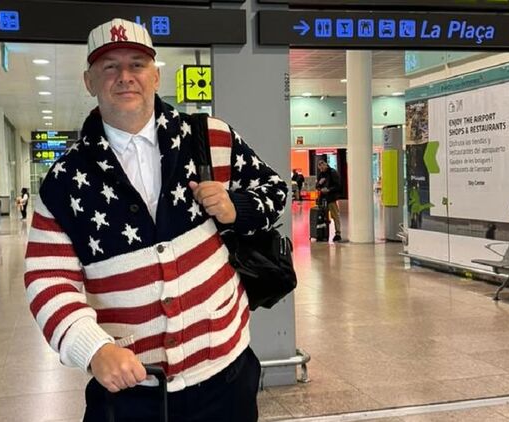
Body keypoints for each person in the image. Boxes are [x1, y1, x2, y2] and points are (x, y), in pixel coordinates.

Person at [24, 18, 287, 422]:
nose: (125, 76)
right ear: (89, 81)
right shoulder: (64, 181)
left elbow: (275, 190)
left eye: (137, 64)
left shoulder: (209, 137)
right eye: (110, 66)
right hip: (130, 391)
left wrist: (237, 208)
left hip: (226, 376)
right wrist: (92, 348)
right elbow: (47, 278)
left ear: (156, 75)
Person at [316, 159, 342, 242]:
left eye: (322, 167)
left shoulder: (332, 172)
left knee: (335, 215)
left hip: (331, 198)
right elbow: (317, 186)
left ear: (325, 165)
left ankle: (338, 233)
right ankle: (323, 233)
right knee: (322, 216)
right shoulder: (321, 174)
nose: (321, 169)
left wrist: (329, 190)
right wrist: (319, 184)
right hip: (323, 198)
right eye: (320, 168)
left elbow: (338, 185)